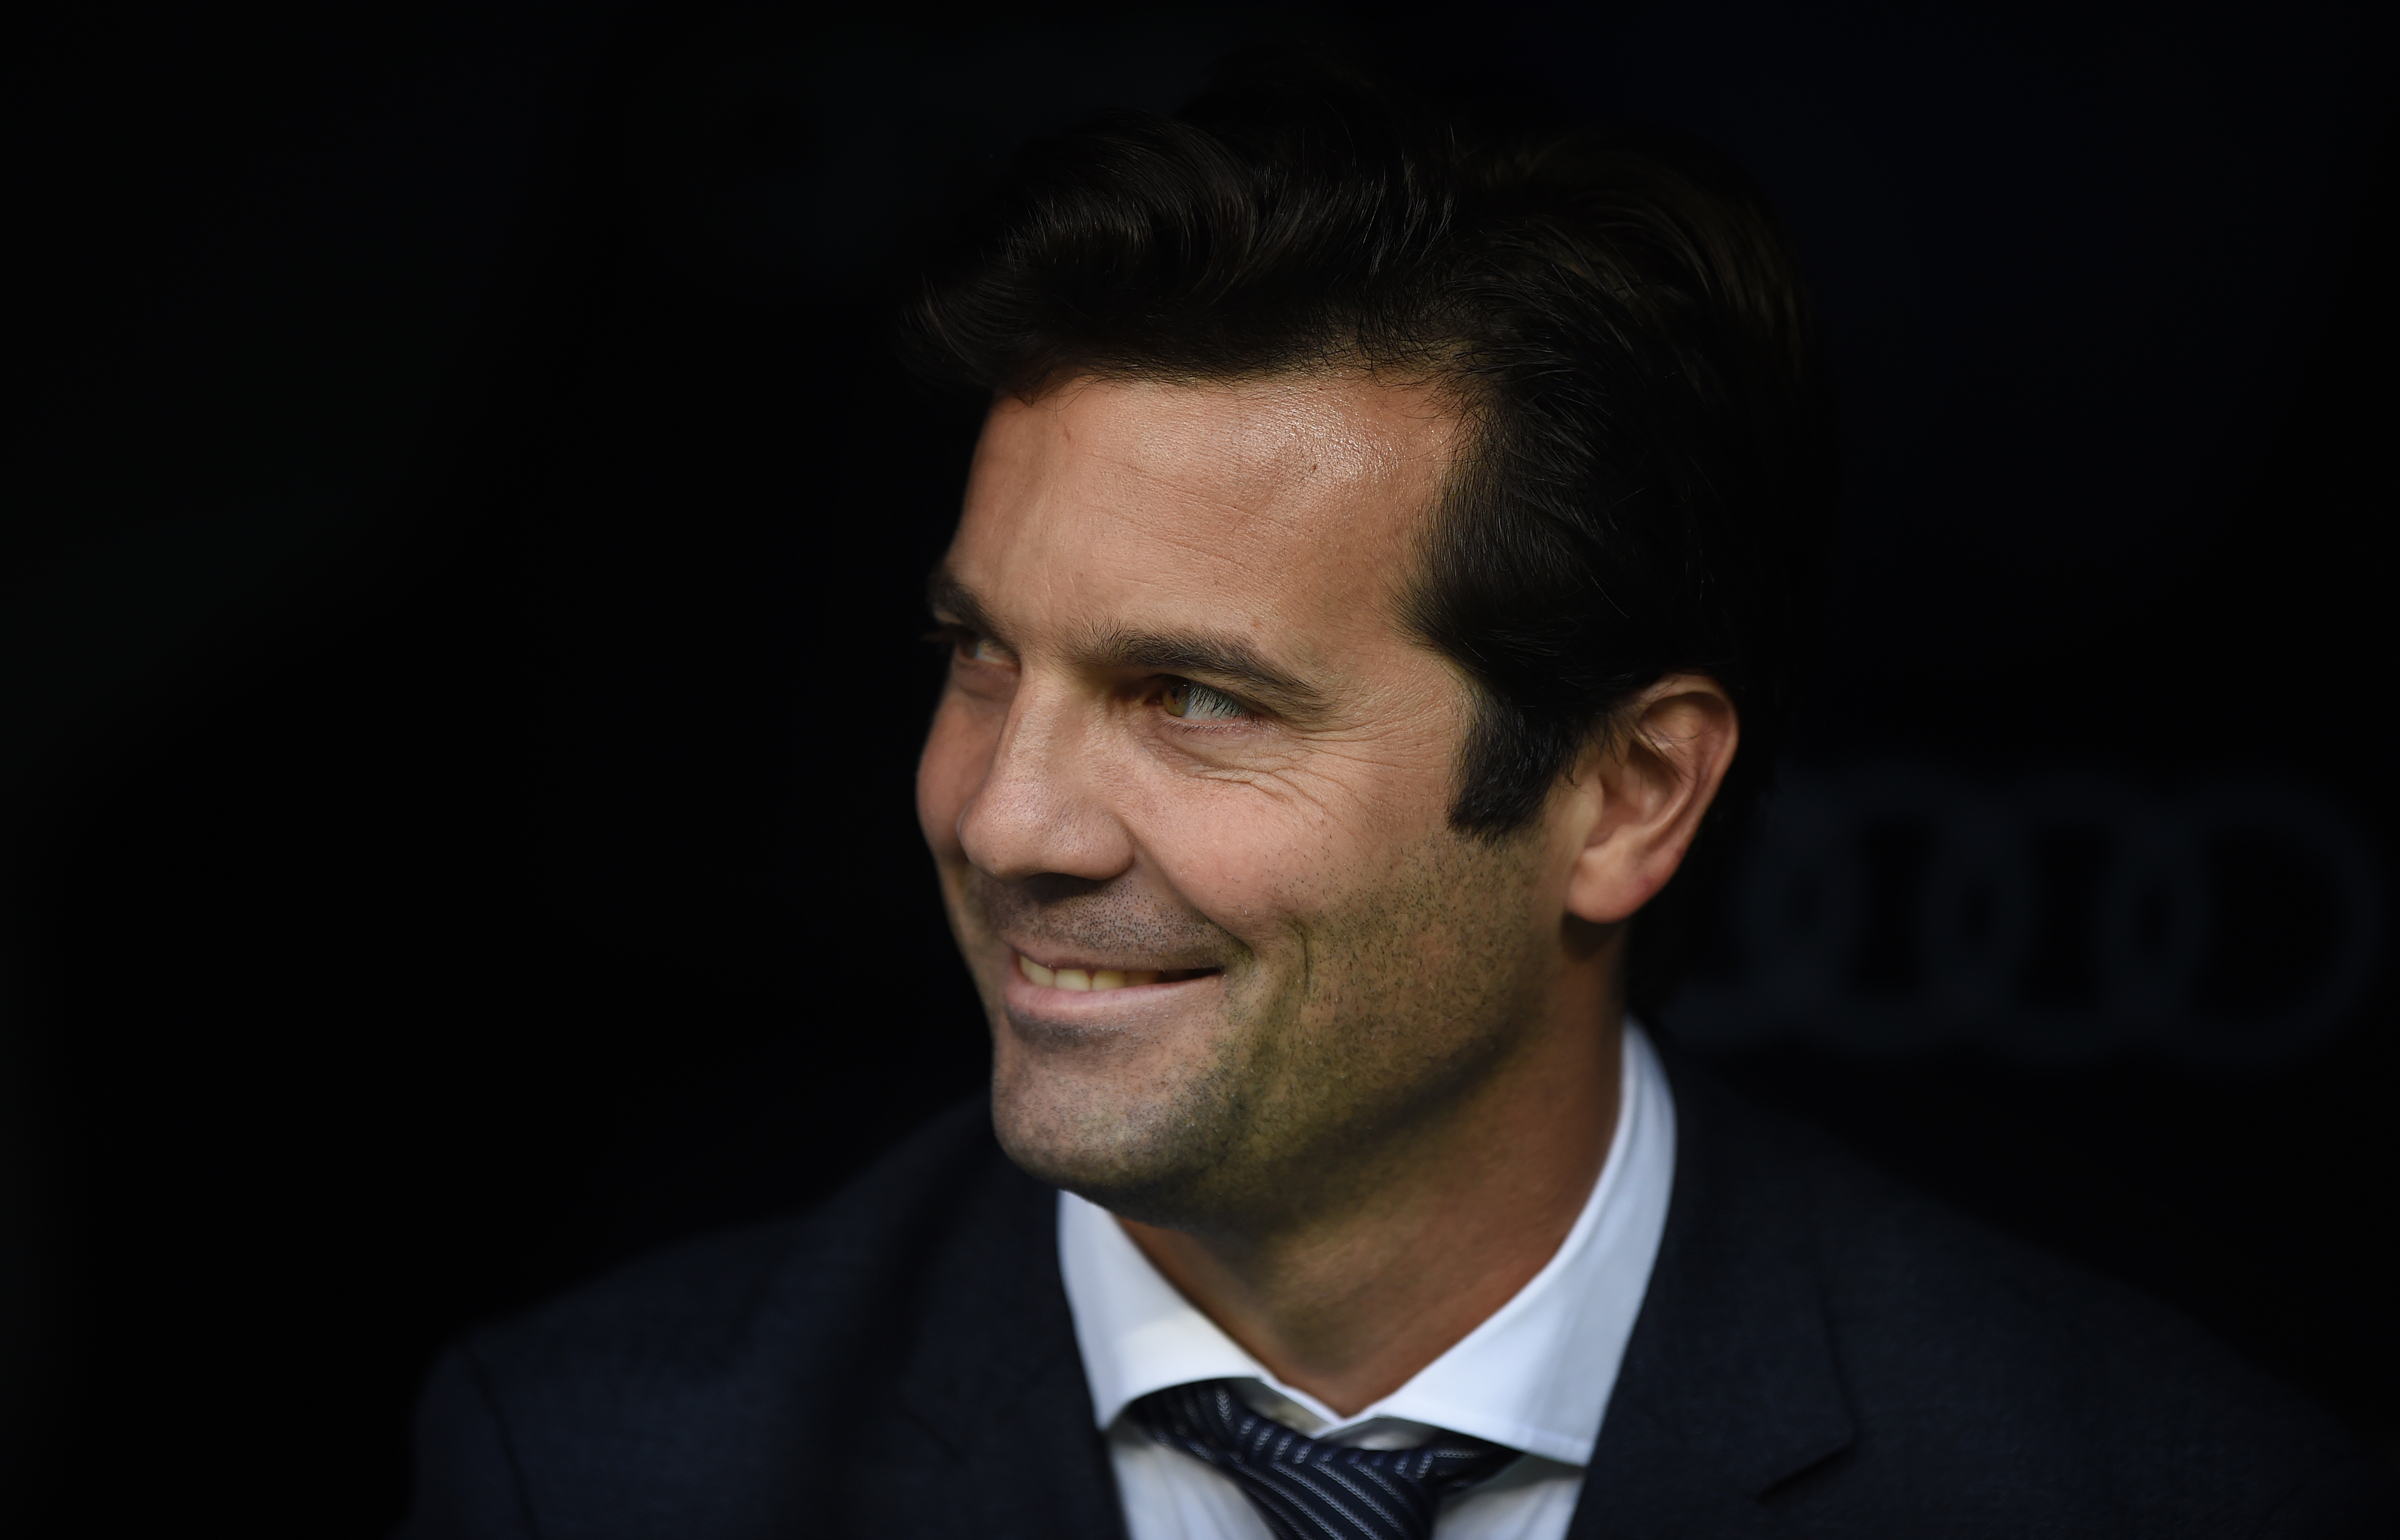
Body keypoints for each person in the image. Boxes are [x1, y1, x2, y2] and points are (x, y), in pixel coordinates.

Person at [399, 56, 2391, 1540]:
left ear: (1625, 792)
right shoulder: (598, 1472)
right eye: (979, 653)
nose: (1007, 819)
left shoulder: (2150, 1493)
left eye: (1190, 698)